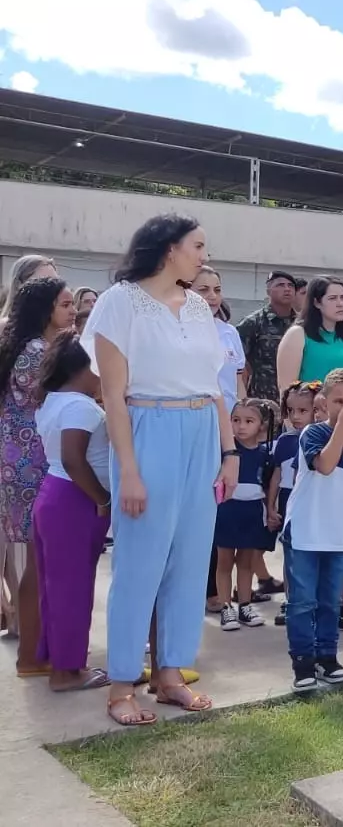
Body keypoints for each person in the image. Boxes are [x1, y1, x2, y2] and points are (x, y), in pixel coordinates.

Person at [85, 214, 234, 725]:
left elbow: (213, 386)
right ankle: (122, 683)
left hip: (202, 436)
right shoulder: (119, 302)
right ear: (168, 248)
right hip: (148, 429)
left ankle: (171, 674)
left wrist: (229, 452)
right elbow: (112, 394)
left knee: (191, 563)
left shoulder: (196, 305)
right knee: (139, 564)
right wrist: (128, 470)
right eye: (197, 246)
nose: (203, 256)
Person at [281, 370, 343, 694]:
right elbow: (325, 465)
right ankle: (303, 662)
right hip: (306, 533)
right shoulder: (313, 433)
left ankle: (327, 657)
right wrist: (342, 430)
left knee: (330, 602)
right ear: (324, 402)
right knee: (301, 602)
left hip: (341, 536)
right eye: (340, 402)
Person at [0, 275, 74, 672]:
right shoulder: (36, 353)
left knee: (38, 560)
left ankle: (35, 649)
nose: (73, 310)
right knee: (38, 562)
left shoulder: (26, 347)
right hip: (33, 464)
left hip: (23, 461)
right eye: (65, 304)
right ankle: (31, 654)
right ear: (46, 310)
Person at [32, 334, 113, 691]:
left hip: (54, 494)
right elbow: (72, 457)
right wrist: (103, 499)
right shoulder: (80, 406)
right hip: (75, 499)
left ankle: (57, 659)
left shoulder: (53, 401)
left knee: (56, 586)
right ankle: (66, 672)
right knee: (73, 589)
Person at [215, 400, 274, 631]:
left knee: (247, 562)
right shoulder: (225, 452)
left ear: (261, 425)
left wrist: (270, 511)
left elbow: (270, 485)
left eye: (249, 421)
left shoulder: (266, 454)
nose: (241, 426)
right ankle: (226, 607)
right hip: (227, 510)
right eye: (236, 420)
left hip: (252, 512)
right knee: (224, 561)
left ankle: (245, 605)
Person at [267, 381, 317, 626]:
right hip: (289, 501)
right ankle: (290, 601)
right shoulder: (285, 441)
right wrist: (271, 506)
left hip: (314, 503)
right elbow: (277, 475)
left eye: (302, 411)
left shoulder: (323, 438)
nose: (295, 417)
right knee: (291, 555)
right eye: (290, 411)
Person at [276, 276, 343, 395]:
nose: (340, 304)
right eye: (332, 298)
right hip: (311, 409)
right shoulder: (297, 334)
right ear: (316, 303)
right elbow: (286, 388)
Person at [238, 270, 298, 401]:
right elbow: (238, 362)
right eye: (280, 285)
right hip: (261, 399)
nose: (287, 289)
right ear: (268, 291)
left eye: (290, 285)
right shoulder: (253, 322)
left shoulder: (302, 324)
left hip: (296, 400)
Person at [191, 267, 245, 413]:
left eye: (217, 290)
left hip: (229, 419)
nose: (212, 296)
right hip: (195, 414)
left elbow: (238, 382)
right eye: (203, 290)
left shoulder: (230, 332)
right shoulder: (176, 331)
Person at [0, 254, 58, 327]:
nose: (53, 288)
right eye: (42, 282)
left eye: (56, 282)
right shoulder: (4, 329)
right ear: (19, 285)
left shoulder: (62, 329)